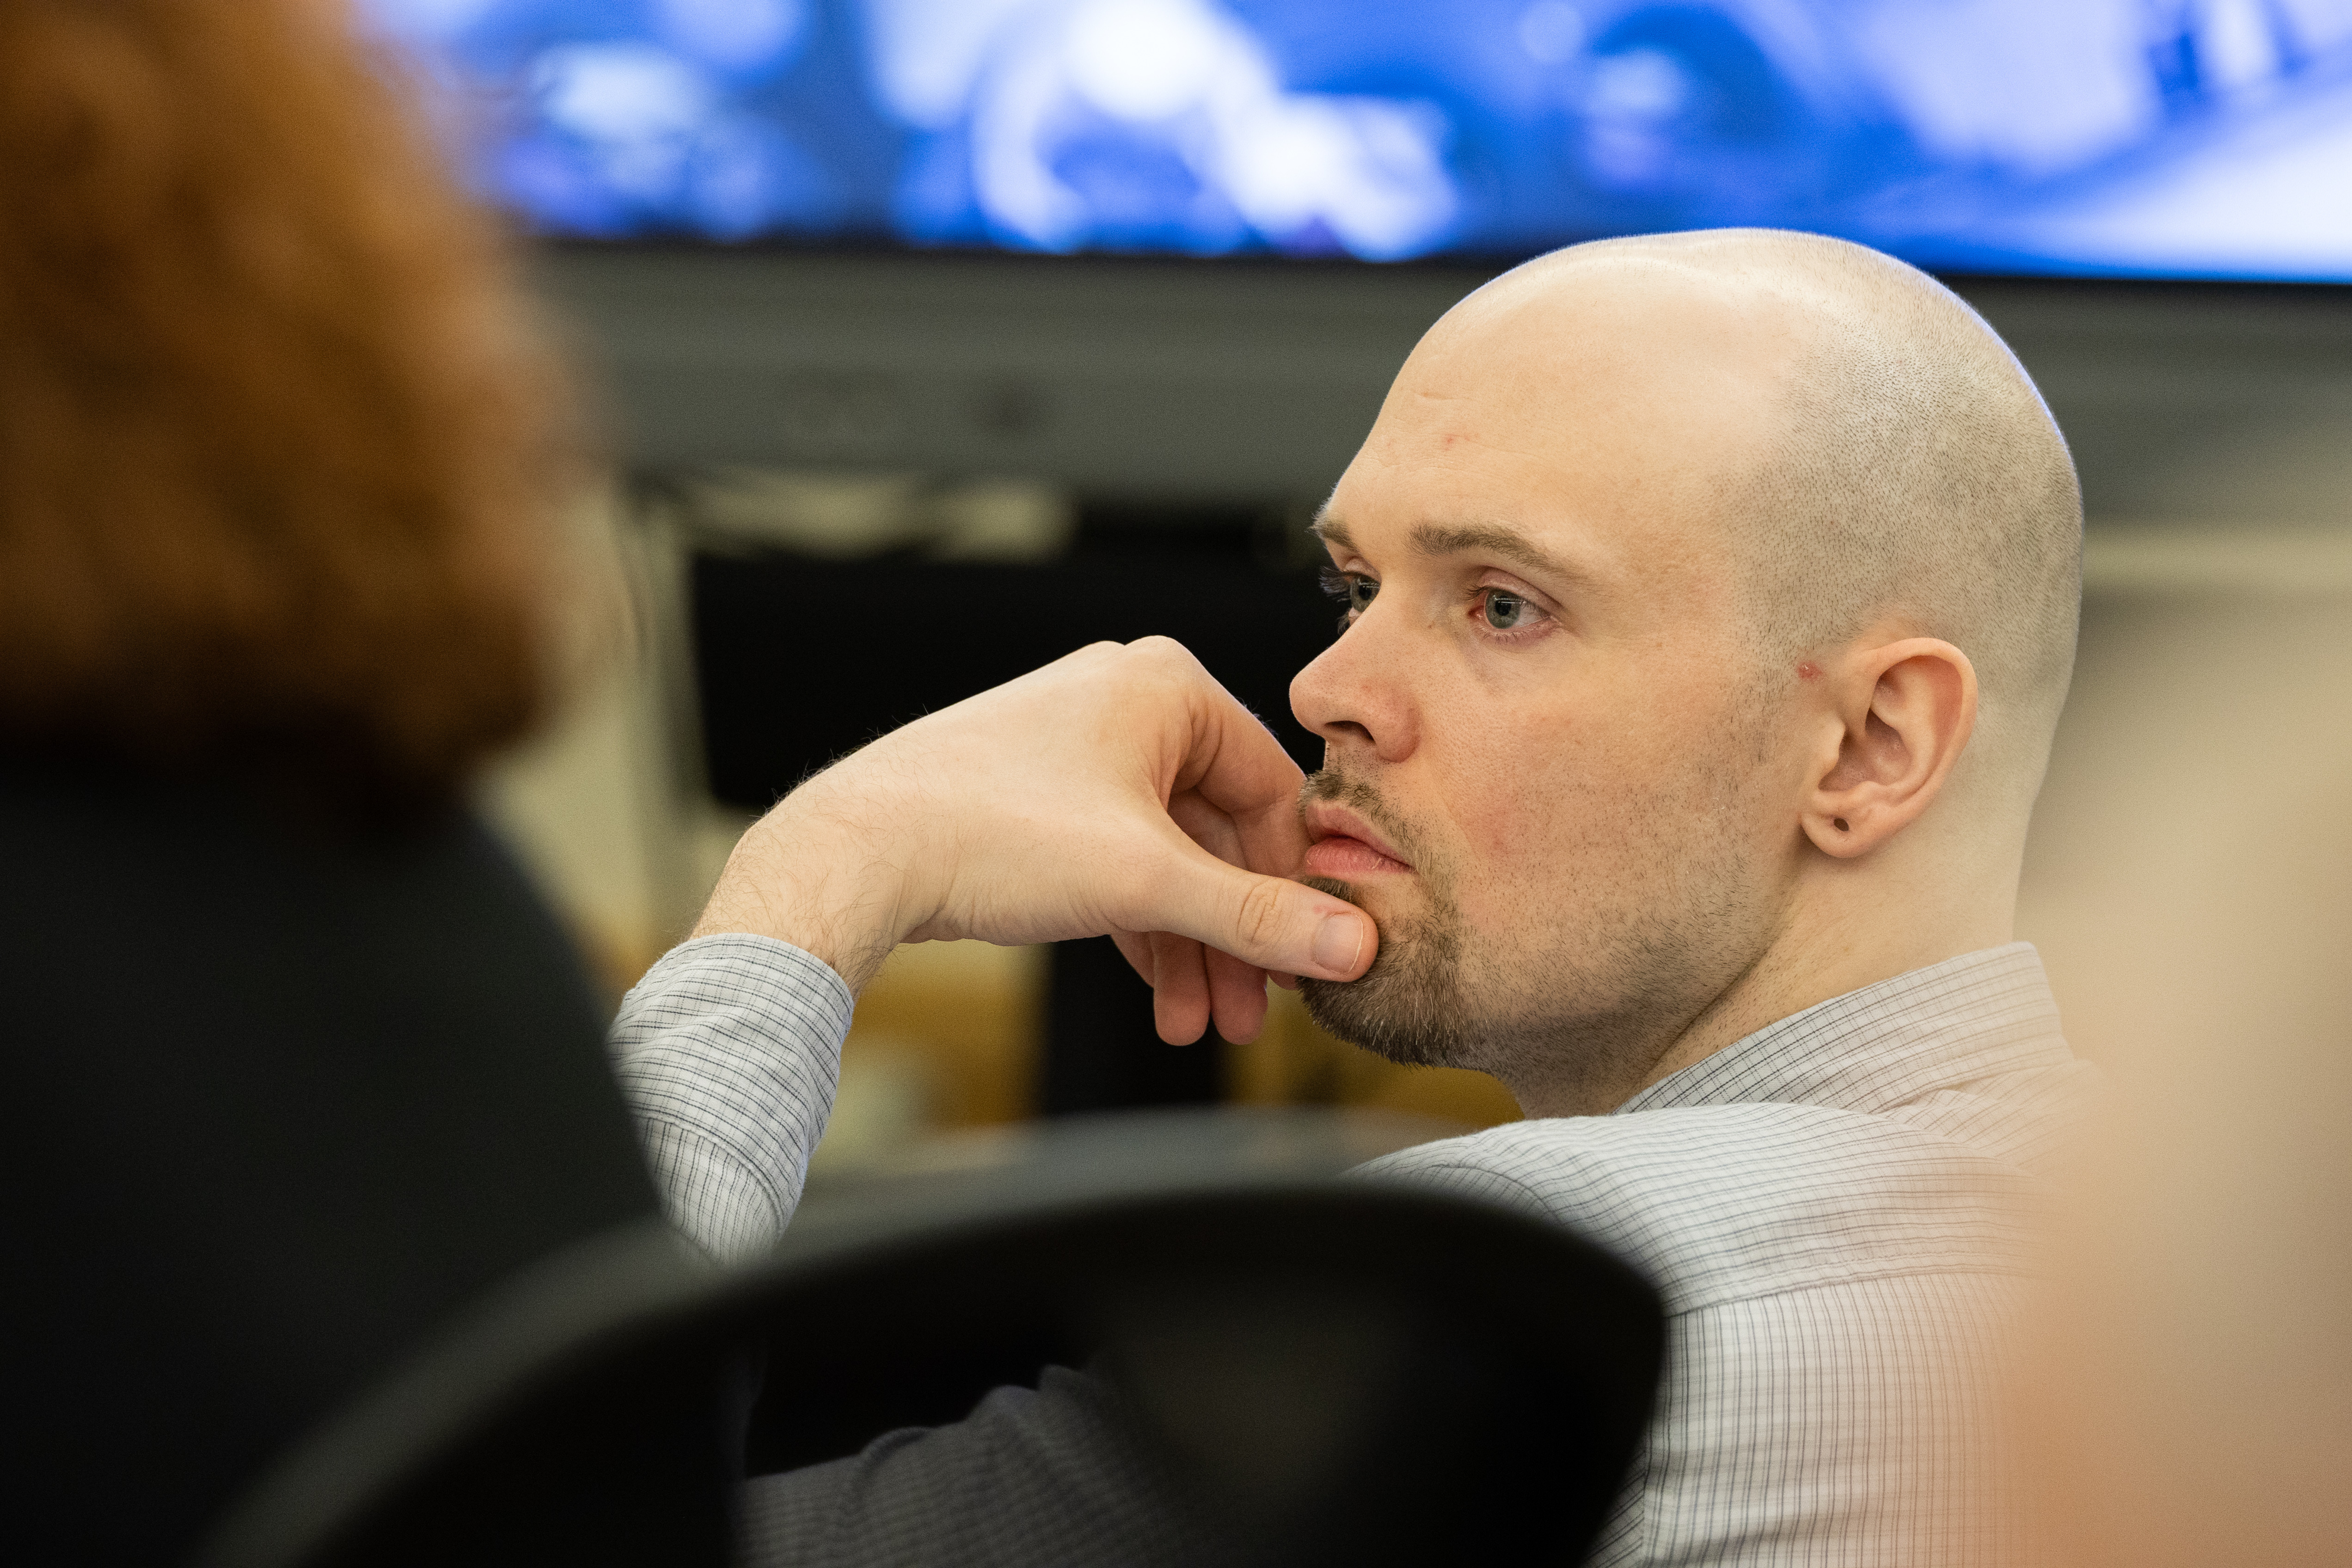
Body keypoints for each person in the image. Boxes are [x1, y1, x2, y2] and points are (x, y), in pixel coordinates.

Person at [609, 230, 2097, 1565]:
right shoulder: (2238, 1277)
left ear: (1870, 745)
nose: (1329, 689)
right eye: (1350, 589)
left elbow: (488, 1518)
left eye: (1502, 605)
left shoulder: (1526, 1301)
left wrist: (820, 879)